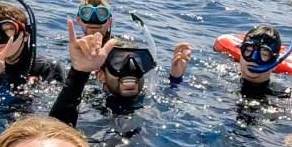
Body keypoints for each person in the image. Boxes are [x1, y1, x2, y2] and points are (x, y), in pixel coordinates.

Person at [50, 15, 189, 127]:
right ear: (101, 76)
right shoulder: (89, 105)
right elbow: (56, 129)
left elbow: (175, 107)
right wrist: (79, 72)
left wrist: (175, 79)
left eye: (138, 62)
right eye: (118, 63)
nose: (130, 69)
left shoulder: (151, 101)